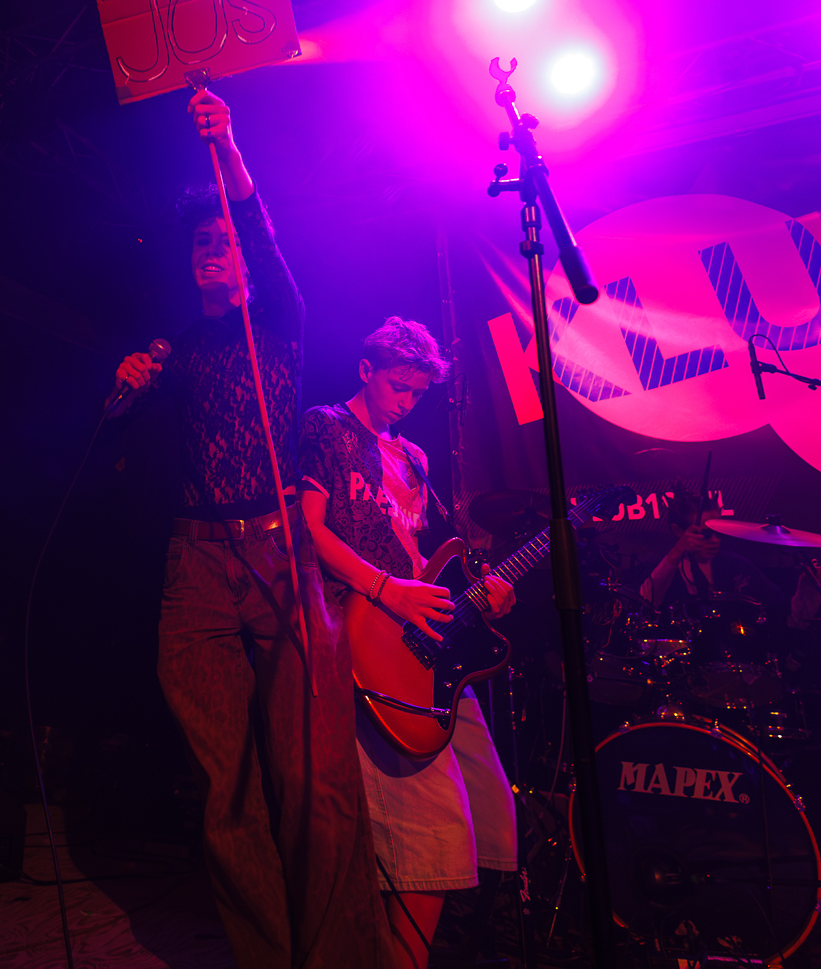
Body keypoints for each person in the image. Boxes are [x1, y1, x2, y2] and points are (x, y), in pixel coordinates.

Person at [113, 87, 383, 969]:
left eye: (223, 241)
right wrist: (128, 387)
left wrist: (226, 143)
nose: (212, 250)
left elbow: (258, 225)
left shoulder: (278, 320)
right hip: (195, 567)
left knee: (313, 774)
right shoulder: (179, 350)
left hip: (277, 556)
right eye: (200, 244)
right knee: (225, 790)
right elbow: (132, 451)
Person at [298, 316, 520, 969]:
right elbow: (307, 528)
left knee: (490, 807)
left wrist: (483, 593)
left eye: (419, 392)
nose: (407, 401)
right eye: (399, 386)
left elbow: (424, 557)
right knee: (432, 825)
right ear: (366, 370)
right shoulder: (326, 428)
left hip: (421, 637)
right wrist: (384, 589)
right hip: (364, 626)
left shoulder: (414, 459)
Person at [638, 494, 821, 626]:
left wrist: (808, 592)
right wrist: (676, 553)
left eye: (719, 533)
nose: (715, 540)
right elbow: (644, 605)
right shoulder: (663, 567)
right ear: (679, 531)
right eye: (706, 534)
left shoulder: (735, 564)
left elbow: (785, 617)